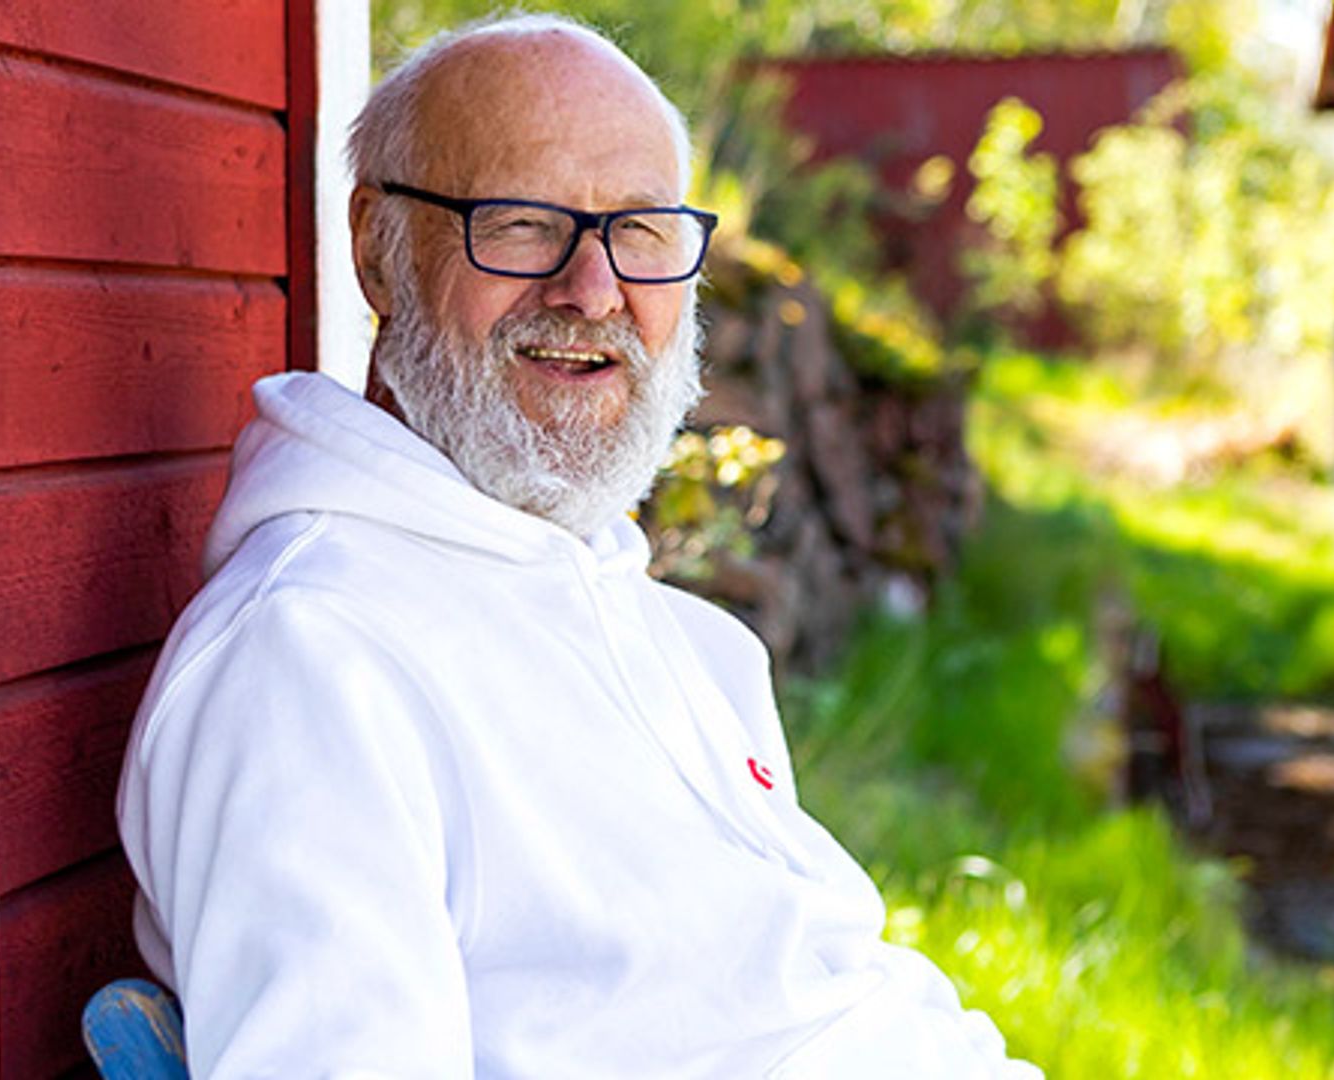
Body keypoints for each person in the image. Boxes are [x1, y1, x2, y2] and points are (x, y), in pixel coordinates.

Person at [117, 15, 1041, 1078]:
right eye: (521, 224)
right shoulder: (311, 661)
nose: (593, 290)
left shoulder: (669, 629)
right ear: (378, 250)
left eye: (640, 232)